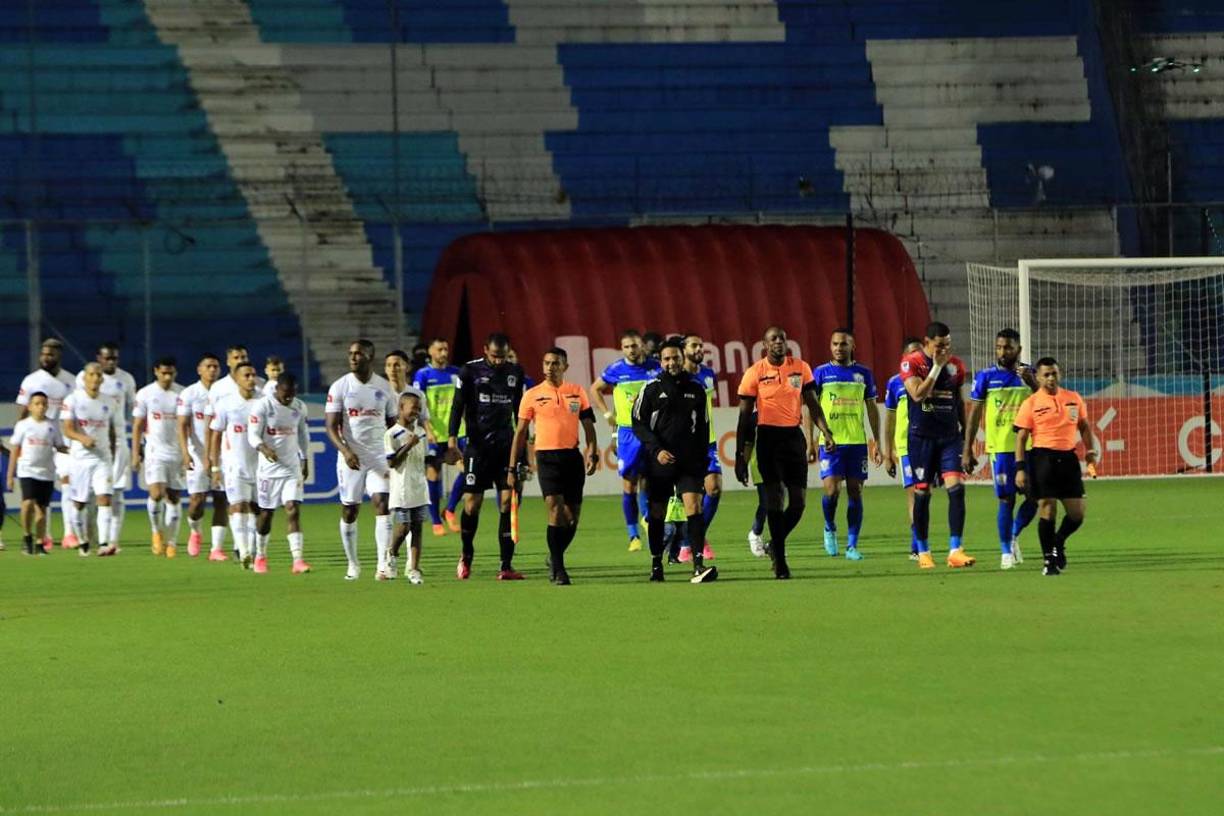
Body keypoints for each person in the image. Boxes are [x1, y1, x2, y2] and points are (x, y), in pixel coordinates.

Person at [735, 326, 835, 579]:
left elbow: (813, 403)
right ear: (764, 345)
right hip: (767, 438)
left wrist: (826, 432)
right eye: (773, 339)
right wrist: (740, 456)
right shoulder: (754, 373)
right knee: (774, 501)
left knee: (799, 503)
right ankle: (780, 560)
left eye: (782, 338)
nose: (779, 342)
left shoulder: (800, 367)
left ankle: (773, 544)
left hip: (793, 438)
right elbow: (744, 417)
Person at [508, 347, 599, 585]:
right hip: (546, 457)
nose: (550, 367)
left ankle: (554, 556)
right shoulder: (532, 394)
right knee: (555, 510)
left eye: (555, 363)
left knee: (572, 518)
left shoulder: (577, 392)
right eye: (547, 363)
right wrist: (511, 467)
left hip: (571, 457)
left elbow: (589, 425)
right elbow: (519, 433)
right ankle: (559, 569)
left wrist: (592, 452)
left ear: (565, 367)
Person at [632, 338, 717, 584]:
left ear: (683, 359)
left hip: (689, 462)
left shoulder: (696, 389)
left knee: (695, 507)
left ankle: (698, 564)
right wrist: (656, 450)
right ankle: (656, 562)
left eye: (676, 358)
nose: (672, 362)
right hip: (659, 462)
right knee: (657, 513)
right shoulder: (650, 389)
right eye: (667, 358)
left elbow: (703, 427)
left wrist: (702, 460)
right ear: (661, 361)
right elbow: (638, 422)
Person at [447, 332, 526, 580]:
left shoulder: (515, 373)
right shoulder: (469, 372)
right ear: (485, 351)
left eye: (503, 356)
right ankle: (466, 556)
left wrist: (522, 451)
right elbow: (458, 405)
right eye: (495, 356)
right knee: (472, 504)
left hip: (505, 448)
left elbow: (520, 413)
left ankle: (505, 565)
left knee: (507, 503)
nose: (500, 361)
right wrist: (452, 438)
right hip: (477, 448)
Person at [900, 321, 976, 569]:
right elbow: (918, 394)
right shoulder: (911, 363)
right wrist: (936, 368)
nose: (944, 350)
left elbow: (958, 401)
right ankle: (923, 551)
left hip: (949, 438)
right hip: (921, 438)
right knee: (922, 492)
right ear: (926, 343)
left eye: (947, 345)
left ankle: (955, 549)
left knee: (957, 488)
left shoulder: (957, 366)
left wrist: (966, 441)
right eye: (939, 345)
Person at [1014, 358, 1099, 576]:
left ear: (1059, 374)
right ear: (1038, 377)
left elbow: (1085, 426)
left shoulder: (1073, 398)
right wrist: (1021, 468)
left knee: (1077, 513)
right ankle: (1048, 560)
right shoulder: (1031, 403)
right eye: (1046, 375)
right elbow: (1021, 438)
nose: (1051, 378)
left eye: (1054, 374)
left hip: (1068, 459)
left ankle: (1058, 541)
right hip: (1042, 458)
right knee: (1047, 509)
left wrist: (1089, 452)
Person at [963, 328, 1040, 570]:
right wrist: (967, 448)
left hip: (1031, 447)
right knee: (1006, 500)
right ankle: (1005, 551)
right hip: (1002, 449)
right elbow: (974, 415)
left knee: (1035, 498)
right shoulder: (986, 377)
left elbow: (1049, 401)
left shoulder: (1030, 374)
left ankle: (1014, 534)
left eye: (1007, 347)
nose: (1002, 351)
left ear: (1019, 349)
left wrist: (1033, 383)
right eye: (999, 347)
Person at [807, 329, 883, 560]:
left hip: (857, 442)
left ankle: (851, 546)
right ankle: (829, 527)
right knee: (831, 491)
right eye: (835, 344)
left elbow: (871, 409)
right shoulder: (820, 373)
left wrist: (877, 441)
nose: (839, 348)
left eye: (843, 344)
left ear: (853, 346)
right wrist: (810, 440)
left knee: (855, 492)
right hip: (830, 442)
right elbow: (810, 408)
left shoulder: (863, 374)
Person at [325, 339, 397, 580]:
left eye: (359, 354)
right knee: (350, 510)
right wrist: (346, 451)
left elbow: (393, 424)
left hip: (378, 456)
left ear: (370, 357)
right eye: (351, 354)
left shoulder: (385, 387)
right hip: (351, 458)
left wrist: (395, 451)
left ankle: (382, 565)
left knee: (383, 504)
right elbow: (331, 427)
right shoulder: (340, 387)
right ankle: (353, 564)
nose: (353, 357)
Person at [589, 329, 660, 552]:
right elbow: (595, 389)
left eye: (634, 345)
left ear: (642, 347)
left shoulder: (655, 368)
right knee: (629, 482)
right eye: (627, 346)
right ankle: (633, 535)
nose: (631, 350)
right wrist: (607, 414)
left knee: (648, 480)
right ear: (622, 349)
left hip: (650, 431)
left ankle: (647, 519)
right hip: (627, 433)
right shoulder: (616, 370)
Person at [16, 338, 77, 551]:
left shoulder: (71, 381)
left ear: (59, 355)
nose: (45, 357)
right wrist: (21, 437)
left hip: (64, 441)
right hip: (39, 443)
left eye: (50, 354)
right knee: (40, 495)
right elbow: (22, 412)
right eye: (43, 353)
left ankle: (70, 533)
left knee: (68, 485)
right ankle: (46, 535)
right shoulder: (31, 381)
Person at [249, 373, 313, 575]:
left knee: (293, 508)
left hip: (291, 469)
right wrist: (264, 448)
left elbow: (303, 435)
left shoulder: (299, 407)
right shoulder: (262, 406)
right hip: (268, 470)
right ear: (277, 389)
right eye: (285, 394)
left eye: (292, 394)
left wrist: (305, 459)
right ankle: (260, 554)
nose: (288, 398)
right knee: (266, 514)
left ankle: (298, 560)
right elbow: (251, 434)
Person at [77, 341, 138, 550]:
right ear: (98, 358)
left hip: (118, 440)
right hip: (90, 444)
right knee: (89, 495)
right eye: (107, 358)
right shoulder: (82, 378)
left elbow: (133, 409)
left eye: (114, 358)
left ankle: (112, 540)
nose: (111, 361)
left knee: (116, 492)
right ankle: (89, 536)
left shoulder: (126, 379)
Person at [61, 363, 122, 557]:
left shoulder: (110, 402)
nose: (95, 378)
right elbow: (68, 429)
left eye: (98, 375)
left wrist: (111, 453)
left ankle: (104, 544)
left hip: (102, 459)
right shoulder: (72, 400)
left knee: (105, 498)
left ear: (102, 379)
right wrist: (83, 438)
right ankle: (82, 541)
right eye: (91, 374)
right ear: (84, 377)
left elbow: (111, 431)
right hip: (80, 459)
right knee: (79, 503)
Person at [208, 362, 261, 566]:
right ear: (236, 378)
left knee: (257, 509)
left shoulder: (264, 402)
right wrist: (215, 466)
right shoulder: (226, 404)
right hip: (233, 465)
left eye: (253, 375)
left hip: (260, 465)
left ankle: (254, 548)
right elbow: (215, 435)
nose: (251, 379)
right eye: (246, 375)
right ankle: (243, 549)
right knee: (238, 506)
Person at [412, 338, 465, 537]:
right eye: (440, 349)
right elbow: (418, 405)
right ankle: (435, 520)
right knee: (433, 473)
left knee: (468, 471)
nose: (444, 352)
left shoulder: (456, 373)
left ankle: (449, 509)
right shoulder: (423, 375)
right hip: (434, 431)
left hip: (458, 430)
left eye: (446, 348)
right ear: (431, 351)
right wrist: (427, 428)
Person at [176, 352, 227, 559]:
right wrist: (185, 453)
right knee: (197, 501)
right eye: (208, 366)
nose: (212, 370)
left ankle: (216, 548)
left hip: (223, 454)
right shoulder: (189, 394)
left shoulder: (225, 392)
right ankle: (195, 531)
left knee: (221, 499)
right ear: (199, 369)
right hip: (197, 453)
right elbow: (182, 425)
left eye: (215, 366)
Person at [133, 358, 185, 557]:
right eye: (163, 373)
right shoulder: (146, 393)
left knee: (173, 497)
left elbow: (185, 425)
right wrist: (136, 453)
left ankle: (171, 542)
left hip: (177, 452)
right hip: (155, 452)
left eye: (170, 373)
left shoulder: (181, 393)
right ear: (156, 371)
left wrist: (186, 453)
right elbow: (138, 425)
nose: (167, 377)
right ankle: (156, 532)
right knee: (155, 493)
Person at [6, 392, 67, 555]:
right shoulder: (23, 425)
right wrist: (10, 476)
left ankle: (40, 543)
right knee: (27, 503)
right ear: (30, 406)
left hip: (46, 472)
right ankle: (27, 536)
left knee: (42, 509)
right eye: (37, 404)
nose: (41, 407)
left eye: (43, 404)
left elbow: (59, 446)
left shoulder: (52, 426)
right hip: (27, 470)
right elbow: (14, 450)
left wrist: (77, 451)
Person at [679, 333, 721, 563]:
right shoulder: (677, 376)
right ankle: (686, 542)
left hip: (708, 441)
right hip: (683, 445)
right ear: (683, 349)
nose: (699, 349)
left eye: (701, 345)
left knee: (713, 488)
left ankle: (695, 537)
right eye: (694, 345)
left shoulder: (708, 374)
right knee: (688, 498)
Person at [882, 337, 924, 559]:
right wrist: (888, 453)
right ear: (904, 358)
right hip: (907, 446)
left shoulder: (932, 379)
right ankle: (917, 544)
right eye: (911, 354)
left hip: (929, 442)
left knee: (924, 493)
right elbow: (889, 418)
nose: (916, 357)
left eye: (919, 353)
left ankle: (921, 540)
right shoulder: (895, 382)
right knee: (915, 494)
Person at [383, 392, 430, 584]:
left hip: (419, 487)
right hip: (401, 489)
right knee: (403, 528)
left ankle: (414, 568)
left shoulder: (421, 432)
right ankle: (392, 554)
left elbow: (424, 459)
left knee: (417, 529)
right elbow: (392, 462)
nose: (416, 412)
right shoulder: (392, 434)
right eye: (413, 408)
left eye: (419, 409)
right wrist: (408, 446)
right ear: (401, 408)